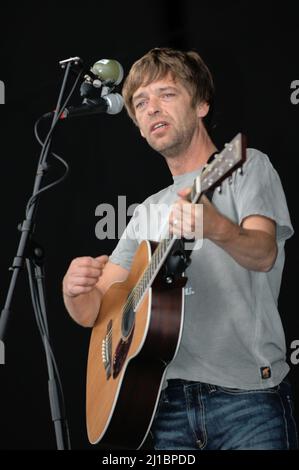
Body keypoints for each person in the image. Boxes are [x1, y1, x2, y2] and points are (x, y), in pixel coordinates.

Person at [62, 47, 298, 450]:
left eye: (166, 94)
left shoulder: (245, 167)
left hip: (247, 401)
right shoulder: (147, 212)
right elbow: (95, 313)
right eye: (140, 102)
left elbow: (264, 253)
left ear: (202, 103)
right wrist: (74, 292)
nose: (152, 108)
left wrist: (219, 228)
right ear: (137, 126)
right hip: (161, 408)